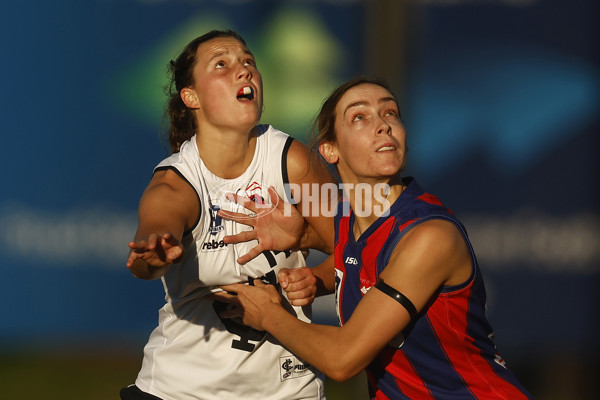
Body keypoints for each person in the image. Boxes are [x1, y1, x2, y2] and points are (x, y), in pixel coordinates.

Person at [217, 77, 533, 399]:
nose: (383, 125)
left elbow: (342, 360)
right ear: (331, 150)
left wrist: (268, 314)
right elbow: (354, 259)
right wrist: (316, 274)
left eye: (391, 113)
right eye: (360, 117)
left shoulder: (429, 235)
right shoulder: (348, 217)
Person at [121, 29, 335, 400]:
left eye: (248, 61)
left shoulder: (294, 161)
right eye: (222, 64)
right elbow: (152, 245)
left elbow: (360, 253)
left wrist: (316, 279)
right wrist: (153, 257)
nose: (244, 71)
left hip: (287, 390)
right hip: (180, 390)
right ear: (191, 97)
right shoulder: (176, 182)